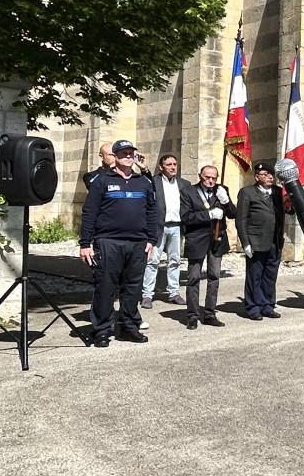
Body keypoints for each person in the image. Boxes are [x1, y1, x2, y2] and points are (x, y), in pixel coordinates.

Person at [78, 138, 160, 345]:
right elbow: (89, 213)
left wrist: (151, 239)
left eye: (131, 153)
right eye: (123, 153)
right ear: (115, 157)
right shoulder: (102, 181)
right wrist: (85, 243)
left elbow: (152, 212)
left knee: (133, 288)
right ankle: (101, 330)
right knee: (105, 287)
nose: (128, 156)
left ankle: (128, 328)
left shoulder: (143, 182)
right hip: (108, 242)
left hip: (138, 244)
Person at [178, 163, 234, 328]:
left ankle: (210, 313)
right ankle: (192, 315)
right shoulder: (188, 192)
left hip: (217, 240)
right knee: (194, 278)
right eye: (207, 177)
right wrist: (208, 215)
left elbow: (233, 213)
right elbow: (186, 217)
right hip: (197, 240)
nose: (211, 181)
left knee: (214, 277)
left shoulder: (222, 190)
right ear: (200, 176)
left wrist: (226, 201)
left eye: (214, 178)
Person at [234, 161, 285, 320]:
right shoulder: (247, 192)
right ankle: (253, 307)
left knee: (270, 275)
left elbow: (287, 210)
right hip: (256, 241)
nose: (270, 177)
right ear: (257, 177)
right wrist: (245, 243)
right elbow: (241, 220)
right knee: (254, 275)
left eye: (271, 174)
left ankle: (267, 305)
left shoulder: (278, 192)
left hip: (274, 241)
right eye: (265, 174)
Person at [142, 154, 186, 305]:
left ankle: (174, 292)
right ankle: (147, 294)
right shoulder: (154, 182)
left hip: (176, 227)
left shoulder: (184, 184)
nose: (173, 167)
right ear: (161, 167)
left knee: (175, 260)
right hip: (158, 227)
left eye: (175, 164)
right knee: (153, 261)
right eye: (169, 164)